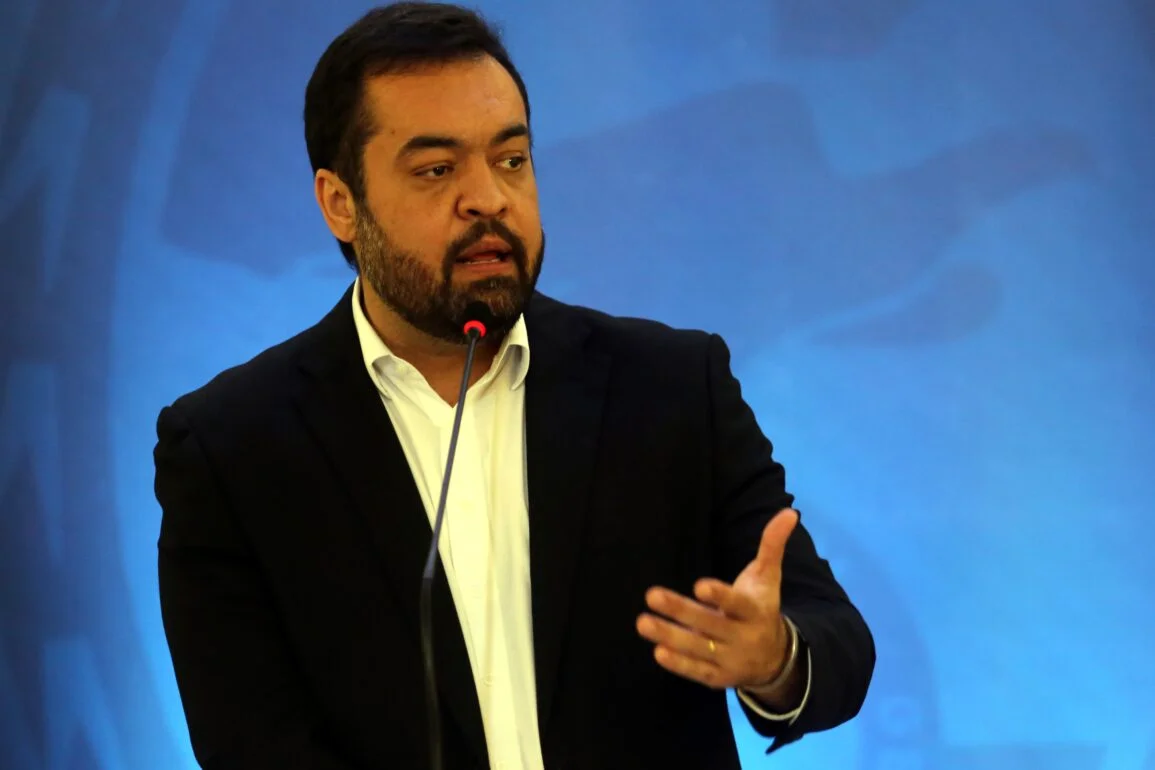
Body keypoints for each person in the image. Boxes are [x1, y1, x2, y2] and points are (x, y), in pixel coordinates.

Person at [153, 3, 875, 768]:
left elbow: (834, 642)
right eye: (437, 170)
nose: (489, 198)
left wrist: (773, 658)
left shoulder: (670, 388)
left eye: (511, 159)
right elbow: (250, 744)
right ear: (341, 204)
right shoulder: (233, 449)